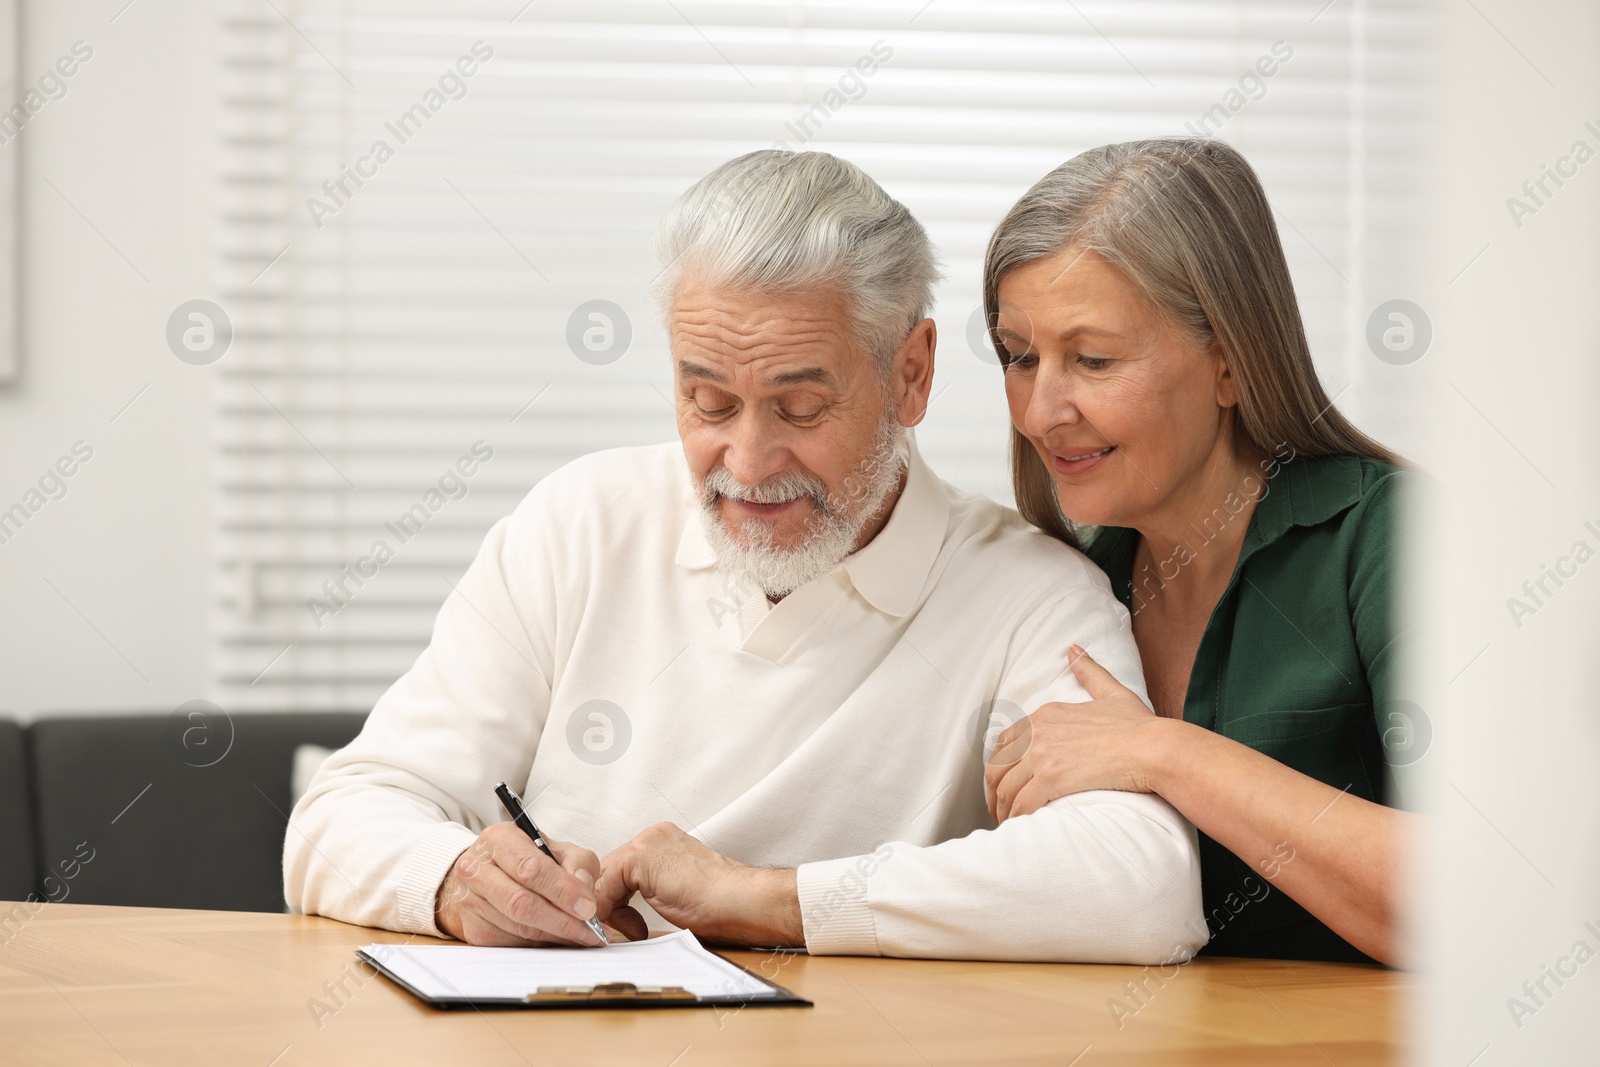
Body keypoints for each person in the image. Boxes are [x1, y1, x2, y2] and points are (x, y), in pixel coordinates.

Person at [285, 149, 1205, 963]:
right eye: (710, 403)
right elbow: (339, 813)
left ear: (911, 374)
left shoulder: (1031, 593)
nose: (751, 463)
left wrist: (771, 900)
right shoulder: (579, 523)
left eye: (802, 409)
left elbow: (1142, 886)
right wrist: (452, 879)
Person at [980, 137, 1413, 965]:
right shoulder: (1072, 583)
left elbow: (1485, 894)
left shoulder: (1387, 540)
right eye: (1019, 356)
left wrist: (1161, 751)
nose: (1039, 412)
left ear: (1229, 361)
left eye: (1093, 359)